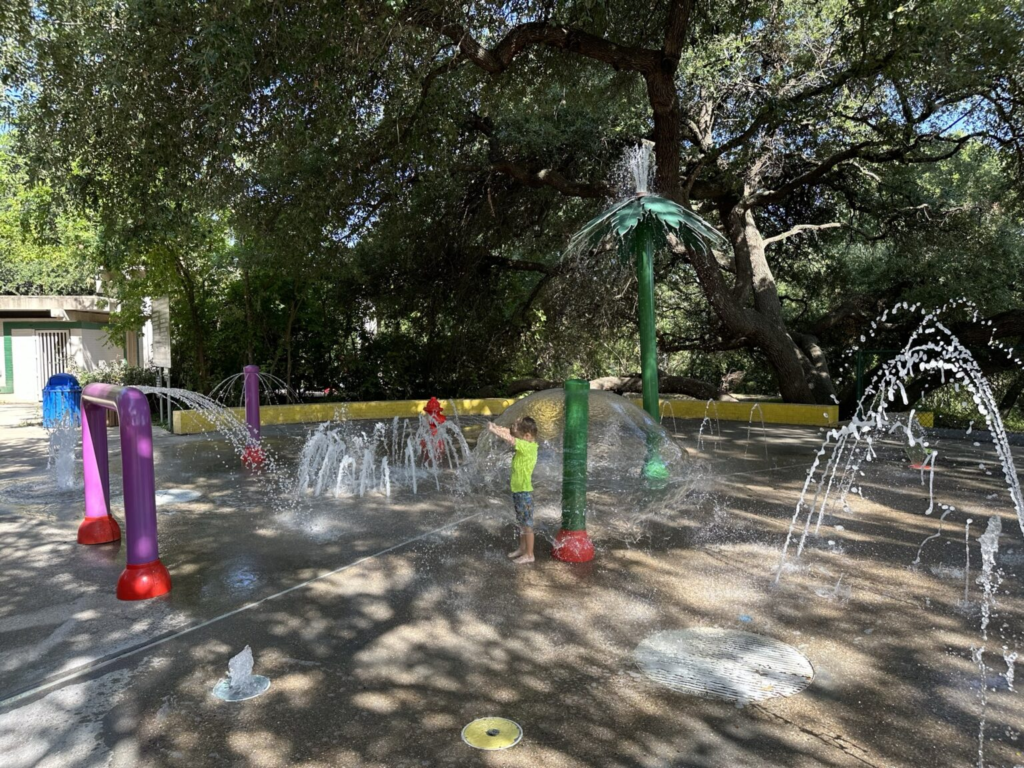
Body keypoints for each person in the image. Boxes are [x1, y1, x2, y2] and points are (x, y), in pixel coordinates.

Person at [487, 417, 539, 564]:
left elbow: (510, 438)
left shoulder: (528, 447)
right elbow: (509, 433)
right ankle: (522, 549)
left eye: (519, 435)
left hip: (524, 493)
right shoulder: (527, 443)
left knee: (527, 526)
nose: (516, 437)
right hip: (518, 492)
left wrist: (493, 431)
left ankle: (530, 554)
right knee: (522, 523)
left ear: (527, 436)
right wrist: (497, 427)